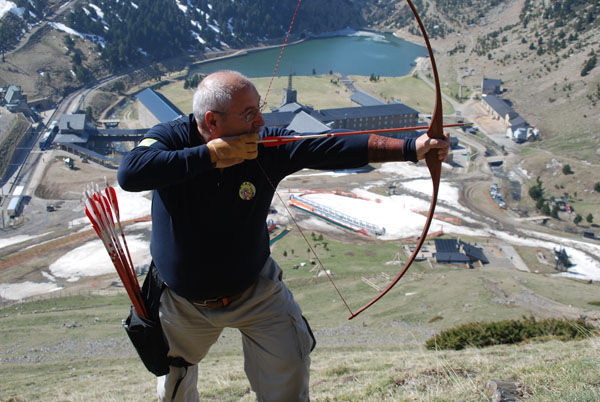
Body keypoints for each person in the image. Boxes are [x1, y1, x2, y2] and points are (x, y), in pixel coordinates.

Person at [117, 70, 449, 401]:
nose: (260, 121)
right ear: (212, 121)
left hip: (256, 291)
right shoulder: (172, 138)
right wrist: (213, 156)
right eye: (249, 114)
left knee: (289, 377)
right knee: (176, 383)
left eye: (259, 109)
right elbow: (131, 171)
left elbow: (325, 147)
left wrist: (410, 147)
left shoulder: (262, 144)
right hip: (182, 301)